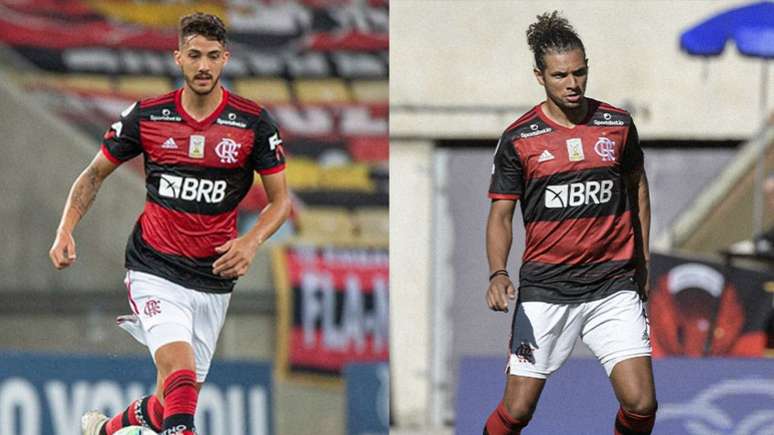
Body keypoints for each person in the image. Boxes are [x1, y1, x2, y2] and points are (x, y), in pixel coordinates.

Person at [49, 13, 291, 435]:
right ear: (178, 57)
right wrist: (65, 228)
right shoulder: (147, 116)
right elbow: (93, 174)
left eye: (213, 57)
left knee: (173, 398)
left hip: (213, 278)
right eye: (194, 55)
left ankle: (103, 431)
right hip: (154, 268)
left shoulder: (252, 123)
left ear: (225, 59)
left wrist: (251, 243)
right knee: (178, 373)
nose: (203, 66)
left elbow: (280, 201)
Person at [483, 11, 656, 435]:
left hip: (610, 286)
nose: (573, 84)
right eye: (561, 75)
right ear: (539, 76)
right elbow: (501, 215)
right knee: (518, 410)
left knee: (641, 402)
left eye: (580, 72)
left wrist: (643, 262)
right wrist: (498, 272)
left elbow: (638, 190)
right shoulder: (519, 138)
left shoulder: (617, 125)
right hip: (546, 290)